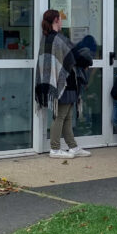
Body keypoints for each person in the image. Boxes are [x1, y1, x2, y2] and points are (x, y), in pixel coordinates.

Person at [35, 9, 93, 159]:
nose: (62, 22)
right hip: (64, 83)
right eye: (60, 19)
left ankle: (73, 147)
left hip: (60, 82)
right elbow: (75, 57)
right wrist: (87, 61)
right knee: (60, 116)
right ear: (55, 20)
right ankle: (54, 149)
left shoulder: (47, 38)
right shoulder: (58, 39)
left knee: (67, 116)